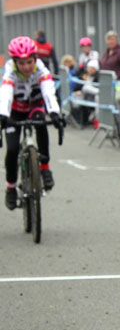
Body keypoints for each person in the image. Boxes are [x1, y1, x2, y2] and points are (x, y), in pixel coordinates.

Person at [0, 37, 64, 209]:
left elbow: (49, 91)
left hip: (35, 107)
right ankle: (11, 188)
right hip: (15, 111)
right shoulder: (10, 71)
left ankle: (45, 167)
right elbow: (6, 92)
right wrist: (3, 115)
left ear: (35, 59)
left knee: (41, 123)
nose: (27, 67)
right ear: (14, 62)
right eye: (22, 63)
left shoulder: (41, 70)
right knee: (12, 149)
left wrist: (55, 113)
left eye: (29, 62)